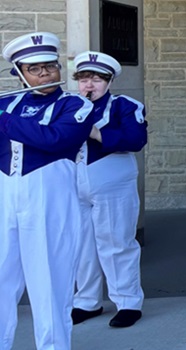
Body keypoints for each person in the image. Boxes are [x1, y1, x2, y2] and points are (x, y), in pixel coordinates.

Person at [0, 31, 94, 350]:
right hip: (5, 193)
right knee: (1, 278)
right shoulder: (7, 103)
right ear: (20, 74)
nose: (44, 74)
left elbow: (55, 139)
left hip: (49, 194)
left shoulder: (75, 103)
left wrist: (5, 122)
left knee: (49, 279)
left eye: (50, 66)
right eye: (35, 69)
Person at [70, 50, 149, 328]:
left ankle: (127, 302)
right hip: (73, 181)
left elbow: (136, 139)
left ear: (109, 81)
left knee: (116, 242)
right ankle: (86, 301)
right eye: (83, 79)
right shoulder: (68, 104)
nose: (88, 86)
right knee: (80, 245)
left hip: (112, 181)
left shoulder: (125, 105)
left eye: (96, 79)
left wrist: (92, 130)